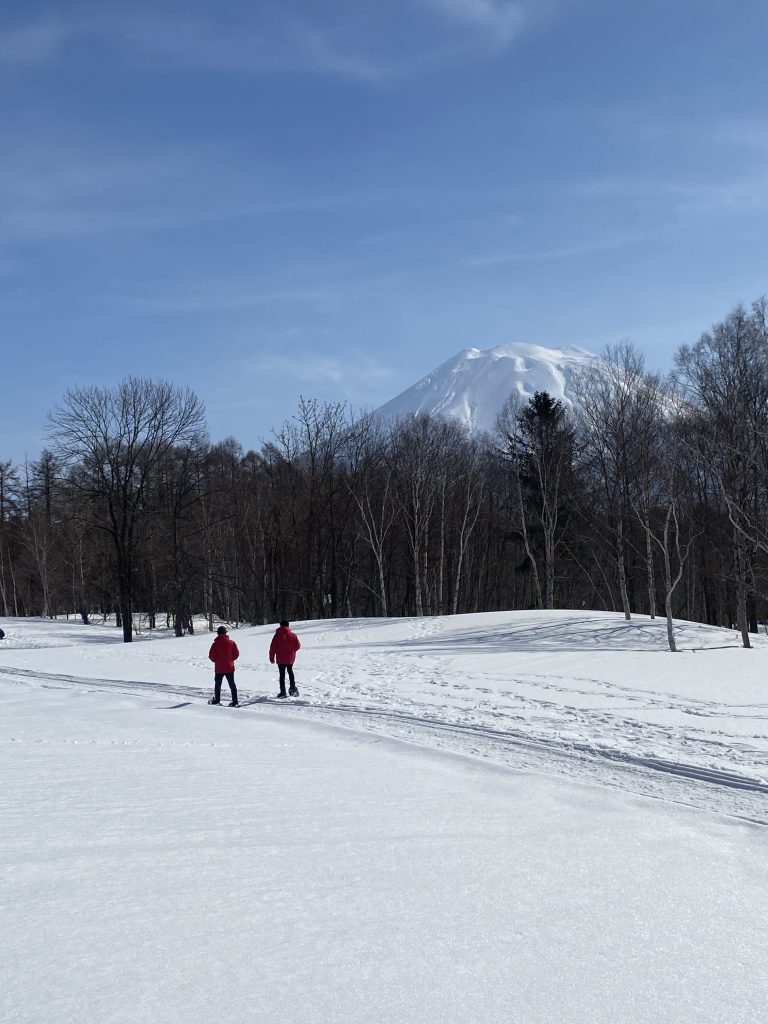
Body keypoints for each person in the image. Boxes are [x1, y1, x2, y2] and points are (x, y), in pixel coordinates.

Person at [208, 625, 239, 706]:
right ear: (225, 633)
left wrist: (217, 661)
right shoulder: (231, 643)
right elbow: (236, 654)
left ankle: (217, 700)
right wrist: (230, 660)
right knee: (232, 685)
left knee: (217, 685)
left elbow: (211, 656)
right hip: (230, 667)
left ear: (218, 634)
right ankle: (235, 701)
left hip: (219, 668)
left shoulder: (215, 644)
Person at [268, 619, 301, 698]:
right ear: (288, 625)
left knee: (282, 675)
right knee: (290, 672)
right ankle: (293, 689)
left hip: (280, 658)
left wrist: (272, 658)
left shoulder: (277, 635)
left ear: (280, 626)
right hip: (290, 658)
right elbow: (298, 646)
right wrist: (292, 651)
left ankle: (283, 692)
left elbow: (273, 647)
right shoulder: (293, 635)